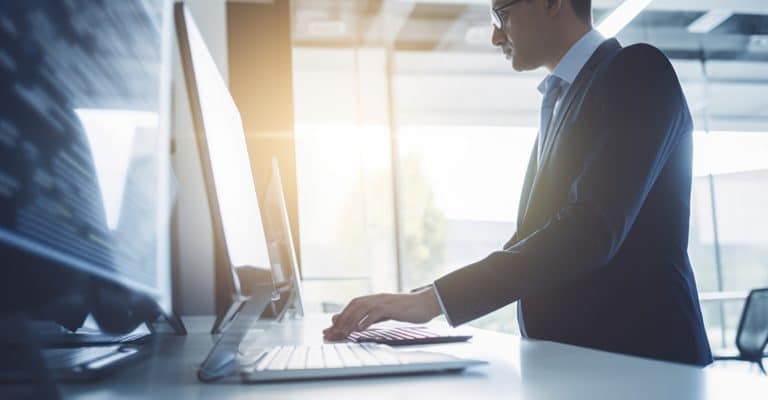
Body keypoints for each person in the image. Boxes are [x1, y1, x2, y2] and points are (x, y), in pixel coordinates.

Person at [323, 0, 712, 366]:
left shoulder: (638, 70)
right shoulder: (565, 98)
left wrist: (433, 301)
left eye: (501, 15)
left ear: (552, 3)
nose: (495, 36)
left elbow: (589, 230)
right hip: (579, 363)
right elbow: (533, 237)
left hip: (643, 364)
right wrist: (420, 300)